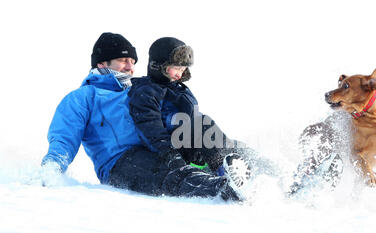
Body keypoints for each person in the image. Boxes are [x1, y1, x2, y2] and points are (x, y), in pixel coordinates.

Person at [41, 33, 241, 201]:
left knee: (203, 129)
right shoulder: (84, 97)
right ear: (102, 63)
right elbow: (64, 135)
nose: (130, 67)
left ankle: (245, 169)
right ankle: (222, 190)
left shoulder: (140, 89)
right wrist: (53, 167)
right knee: (166, 172)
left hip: (156, 146)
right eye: (123, 60)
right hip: (120, 162)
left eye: (132, 61)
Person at [124, 37, 256, 197]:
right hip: (174, 152)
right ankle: (228, 177)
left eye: (182, 70)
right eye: (175, 69)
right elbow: (150, 129)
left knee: (239, 149)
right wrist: (170, 155)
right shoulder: (146, 92)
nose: (179, 74)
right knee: (202, 125)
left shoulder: (177, 89)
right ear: (157, 66)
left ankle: (277, 176)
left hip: (196, 147)